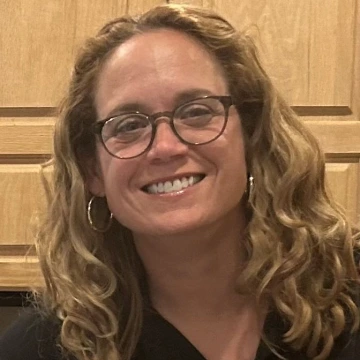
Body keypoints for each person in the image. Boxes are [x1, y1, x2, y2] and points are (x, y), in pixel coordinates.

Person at [1, 4, 359, 360]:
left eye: (197, 112)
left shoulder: (350, 294)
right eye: (128, 125)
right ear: (93, 171)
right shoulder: (39, 348)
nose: (166, 147)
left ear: (250, 137)